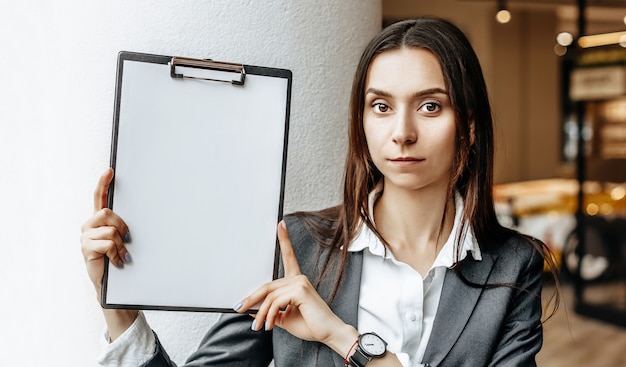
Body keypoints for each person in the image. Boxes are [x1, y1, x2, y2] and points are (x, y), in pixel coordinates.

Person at [81, 16, 559, 367]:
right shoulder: (298, 246)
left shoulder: (514, 266)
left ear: (469, 127)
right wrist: (121, 311)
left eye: (430, 106)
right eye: (381, 106)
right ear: (362, 121)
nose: (402, 132)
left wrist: (344, 340)